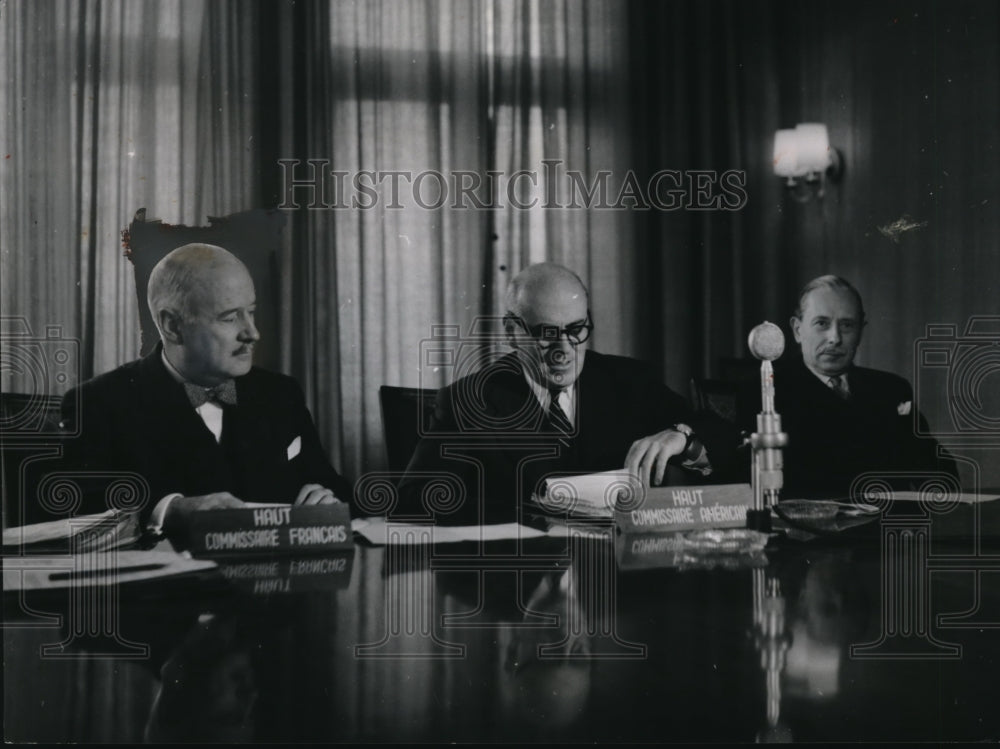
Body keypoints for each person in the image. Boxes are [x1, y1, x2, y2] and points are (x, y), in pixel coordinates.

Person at [398, 262, 736, 524]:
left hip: (621, 590)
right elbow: (414, 502)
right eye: (546, 334)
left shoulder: (630, 381)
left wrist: (684, 438)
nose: (564, 350)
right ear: (513, 333)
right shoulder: (466, 402)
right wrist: (532, 514)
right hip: (521, 592)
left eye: (576, 330)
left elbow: (727, 441)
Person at [58, 243, 351, 534]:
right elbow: (69, 509)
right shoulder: (98, 403)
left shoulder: (280, 394)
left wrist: (327, 500)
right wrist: (168, 511)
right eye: (230, 317)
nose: (252, 333)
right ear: (172, 325)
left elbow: (330, 485)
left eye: (251, 312)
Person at [738, 274, 955, 497]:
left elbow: (940, 472)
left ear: (861, 330)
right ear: (797, 330)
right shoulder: (766, 392)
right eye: (822, 323)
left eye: (847, 325)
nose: (835, 338)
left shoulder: (891, 389)